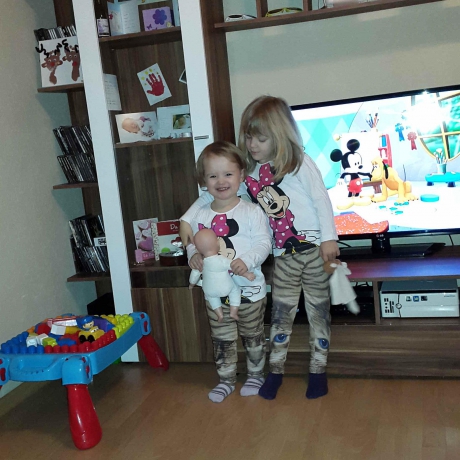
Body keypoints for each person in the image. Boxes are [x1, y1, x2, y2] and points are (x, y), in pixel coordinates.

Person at [181, 96, 340, 401]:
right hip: (283, 254)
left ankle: (318, 371)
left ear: (280, 136)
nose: (252, 144)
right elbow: (213, 194)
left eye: (261, 138)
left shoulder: (299, 163)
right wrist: (187, 219)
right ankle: (275, 371)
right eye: (248, 137)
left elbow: (321, 199)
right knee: (281, 314)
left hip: (314, 248)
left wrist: (329, 238)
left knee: (318, 311)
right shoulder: (250, 173)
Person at [183, 141, 272, 403]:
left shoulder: (252, 211)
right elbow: (192, 243)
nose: (221, 181)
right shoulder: (199, 214)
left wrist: (247, 260)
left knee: (253, 335)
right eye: (213, 176)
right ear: (204, 181)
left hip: (250, 291)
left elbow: (264, 243)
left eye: (228, 174)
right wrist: (194, 256)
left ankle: (256, 375)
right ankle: (226, 379)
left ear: (241, 176)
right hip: (216, 294)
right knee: (222, 338)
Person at [189, 228, 256, 322]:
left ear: (197, 249)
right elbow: (235, 267)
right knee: (235, 290)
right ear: (218, 244)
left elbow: (194, 275)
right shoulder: (221, 260)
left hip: (209, 289)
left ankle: (219, 315)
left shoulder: (201, 262)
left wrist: (191, 284)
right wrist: (247, 275)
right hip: (225, 287)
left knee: (212, 299)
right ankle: (233, 312)